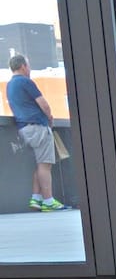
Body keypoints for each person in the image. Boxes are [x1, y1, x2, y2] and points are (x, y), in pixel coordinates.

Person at [6, 54, 67, 211]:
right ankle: (48, 201)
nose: (30, 68)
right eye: (29, 65)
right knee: (45, 165)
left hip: (23, 129)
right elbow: (44, 105)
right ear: (23, 67)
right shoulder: (26, 81)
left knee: (38, 165)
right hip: (38, 127)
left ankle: (36, 198)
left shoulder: (10, 85)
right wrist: (50, 120)